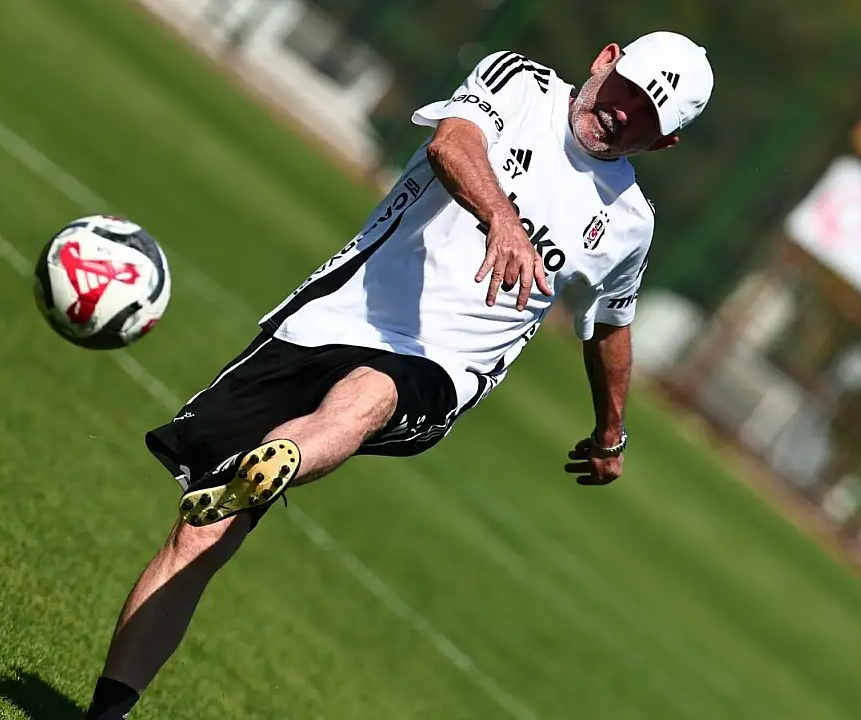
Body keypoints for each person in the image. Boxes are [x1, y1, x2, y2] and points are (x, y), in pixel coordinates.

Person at [83, 30, 714, 719]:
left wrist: (611, 432)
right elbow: (452, 145)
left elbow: (611, 327)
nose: (623, 113)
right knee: (199, 535)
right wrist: (502, 220)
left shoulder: (629, 223)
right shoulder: (519, 82)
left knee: (373, 395)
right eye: (627, 92)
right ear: (606, 61)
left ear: (663, 143)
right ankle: (108, 708)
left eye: (646, 118)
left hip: (444, 365)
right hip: (331, 317)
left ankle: (284, 459)